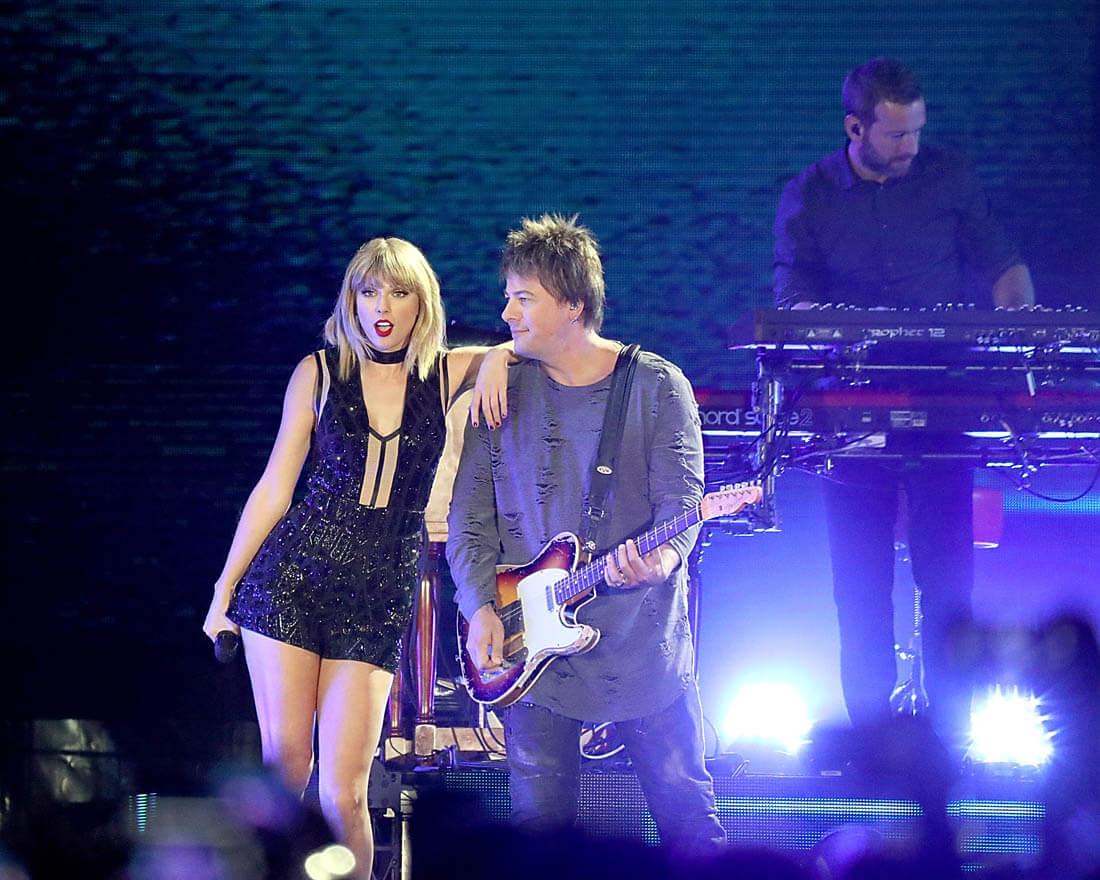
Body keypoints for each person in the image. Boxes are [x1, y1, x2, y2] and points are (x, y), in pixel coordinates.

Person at [202, 237, 511, 879]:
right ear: (351, 300)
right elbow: (274, 489)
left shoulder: (444, 373)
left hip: (378, 592)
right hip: (293, 577)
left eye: (398, 292)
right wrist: (223, 589)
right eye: (369, 292)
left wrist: (499, 363)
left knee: (345, 791)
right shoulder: (318, 372)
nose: (382, 306)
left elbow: (532, 346)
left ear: (422, 302)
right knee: (288, 770)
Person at [772, 58, 1036, 756]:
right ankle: (872, 742)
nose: (911, 146)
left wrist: (1019, 332)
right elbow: (792, 300)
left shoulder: (949, 177)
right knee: (860, 584)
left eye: (917, 130)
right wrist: (832, 332)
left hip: (944, 402)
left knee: (949, 579)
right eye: (895, 135)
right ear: (855, 128)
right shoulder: (810, 195)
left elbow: (1004, 267)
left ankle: (952, 737)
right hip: (851, 410)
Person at [446, 214, 726, 857]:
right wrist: (479, 605)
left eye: (524, 298)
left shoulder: (657, 385)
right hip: (531, 651)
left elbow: (682, 504)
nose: (506, 312)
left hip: (644, 646)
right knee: (539, 845)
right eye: (509, 296)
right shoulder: (500, 390)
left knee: (692, 828)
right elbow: (469, 518)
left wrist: (662, 561)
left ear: (573, 305)